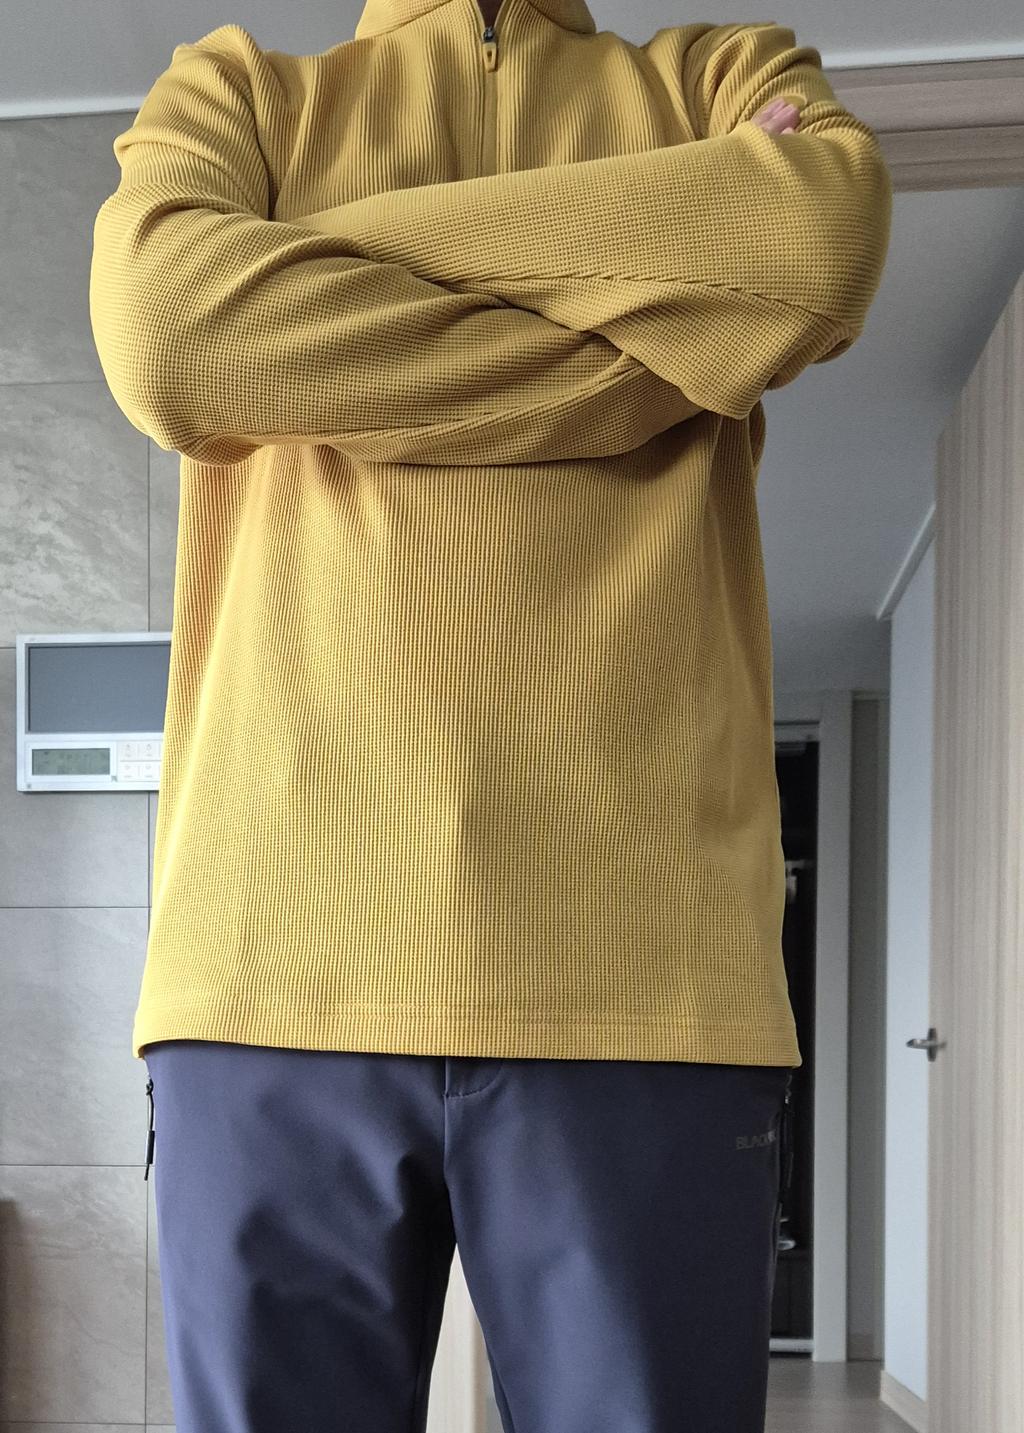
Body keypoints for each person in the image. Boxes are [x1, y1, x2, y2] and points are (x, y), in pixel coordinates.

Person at [89, 2, 891, 1429]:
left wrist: (323, 254)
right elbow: (166, 328)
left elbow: (818, 242)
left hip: (642, 970)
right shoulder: (240, 93)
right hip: (276, 954)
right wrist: (661, 324)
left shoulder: (720, 73)